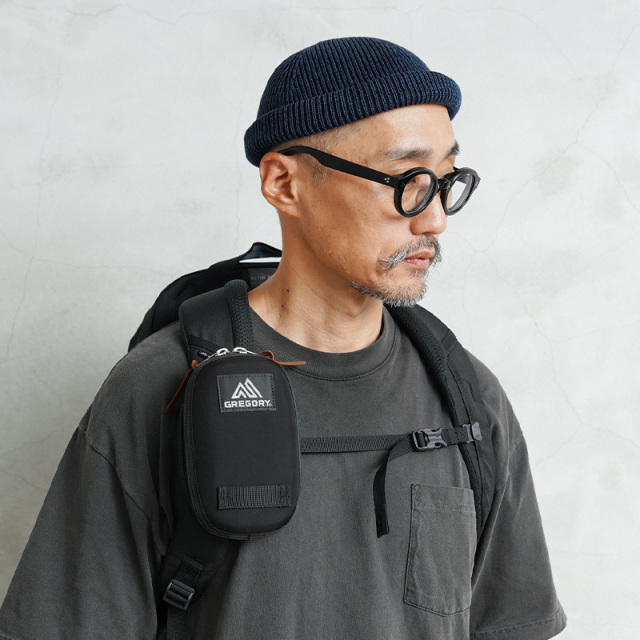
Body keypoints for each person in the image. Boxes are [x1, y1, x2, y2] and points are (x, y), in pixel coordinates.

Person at [0, 37, 566, 640]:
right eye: (408, 179)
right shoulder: (161, 387)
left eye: (447, 181)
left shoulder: (467, 397)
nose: (435, 218)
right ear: (284, 183)